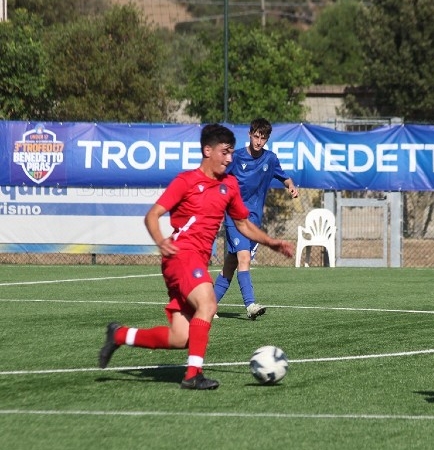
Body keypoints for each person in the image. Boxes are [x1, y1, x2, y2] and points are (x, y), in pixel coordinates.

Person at [98, 123, 294, 390]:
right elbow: (152, 215)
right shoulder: (186, 181)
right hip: (181, 255)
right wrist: (160, 241)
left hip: (196, 261)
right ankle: (192, 374)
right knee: (208, 303)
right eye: (224, 153)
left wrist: (272, 242)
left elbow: (244, 224)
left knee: (181, 338)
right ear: (207, 150)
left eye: (231, 153)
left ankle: (120, 334)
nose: (229, 158)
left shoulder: (229, 185)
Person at [213, 118, 299, 320]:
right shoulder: (236, 157)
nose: (259, 141)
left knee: (230, 264)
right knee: (244, 258)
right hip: (235, 217)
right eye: (256, 136)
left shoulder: (270, 159)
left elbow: (284, 177)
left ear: (267, 139)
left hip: (254, 222)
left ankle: (207, 306)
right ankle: (250, 304)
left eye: (263, 138)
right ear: (249, 134)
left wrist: (291, 185)